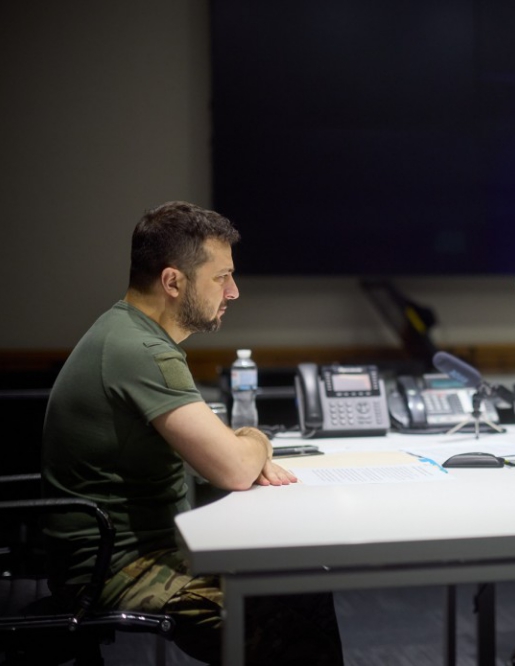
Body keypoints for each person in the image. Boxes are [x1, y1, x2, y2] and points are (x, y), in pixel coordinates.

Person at [42, 202, 343, 665]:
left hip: (134, 547)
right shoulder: (142, 350)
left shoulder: (124, 331)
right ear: (172, 282)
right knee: (288, 620)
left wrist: (238, 449)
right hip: (116, 566)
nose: (233, 291)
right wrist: (256, 439)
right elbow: (234, 468)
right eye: (221, 277)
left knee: (302, 583)